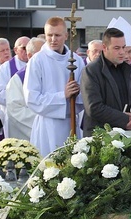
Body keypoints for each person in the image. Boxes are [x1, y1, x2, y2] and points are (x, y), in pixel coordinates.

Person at [23, 16, 85, 156]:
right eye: (49, 35)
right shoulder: (37, 61)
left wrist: (78, 95)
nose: (53, 39)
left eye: (57, 35)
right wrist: (62, 95)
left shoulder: (77, 60)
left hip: (71, 122)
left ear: (66, 35)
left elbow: (83, 97)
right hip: (47, 125)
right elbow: (31, 98)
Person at [81, 28, 131, 137]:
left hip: (125, 134)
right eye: (116, 48)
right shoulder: (91, 70)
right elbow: (94, 107)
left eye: (123, 47)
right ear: (104, 47)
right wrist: (126, 119)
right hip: (99, 135)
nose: (122, 52)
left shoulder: (125, 68)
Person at [6, 37, 44, 140]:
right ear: (30, 56)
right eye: (42, 54)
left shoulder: (49, 75)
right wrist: (44, 120)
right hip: (27, 136)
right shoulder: (18, 79)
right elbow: (15, 109)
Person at [0, 36, 29, 137]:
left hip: (32, 116)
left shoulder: (36, 65)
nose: (27, 51)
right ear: (15, 50)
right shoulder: (5, 68)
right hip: (14, 118)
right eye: (23, 48)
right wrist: (21, 98)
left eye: (29, 47)